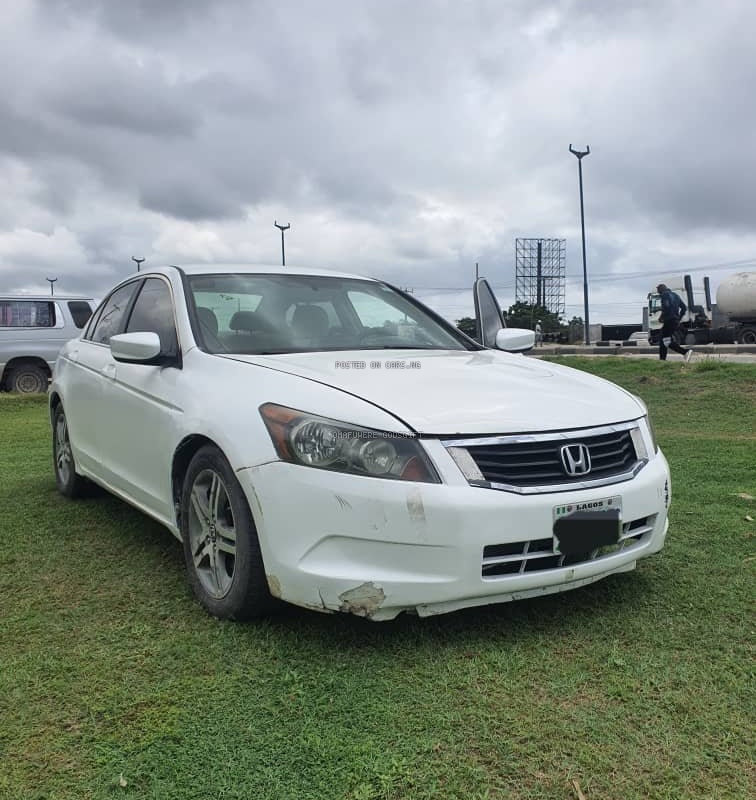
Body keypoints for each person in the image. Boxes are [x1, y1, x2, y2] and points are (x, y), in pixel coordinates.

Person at [656, 283, 693, 362]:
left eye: (658, 291)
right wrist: (678, 318)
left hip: (668, 320)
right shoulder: (676, 295)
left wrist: (661, 317)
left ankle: (685, 352)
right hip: (674, 321)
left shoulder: (664, 295)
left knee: (665, 341)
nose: (659, 293)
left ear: (661, 290)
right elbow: (684, 308)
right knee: (663, 340)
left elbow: (666, 306)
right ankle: (662, 360)